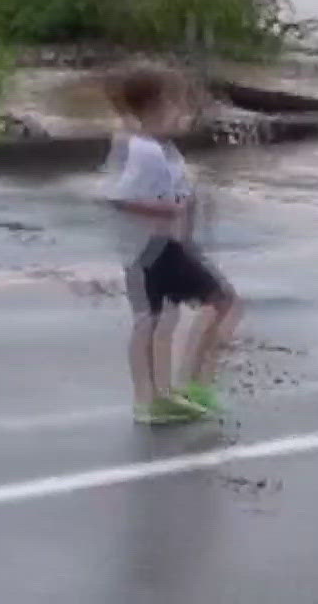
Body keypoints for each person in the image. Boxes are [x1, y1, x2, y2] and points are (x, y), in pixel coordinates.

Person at [101, 64, 241, 425]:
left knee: (163, 317)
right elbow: (118, 197)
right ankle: (163, 395)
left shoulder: (157, 147)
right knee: (177, 312)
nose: (185, 115)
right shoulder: (145, 149)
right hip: (151, 248)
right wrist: (170, 209)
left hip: (164, 246)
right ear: (155, 107)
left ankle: (164, 395)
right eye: (179, 107)